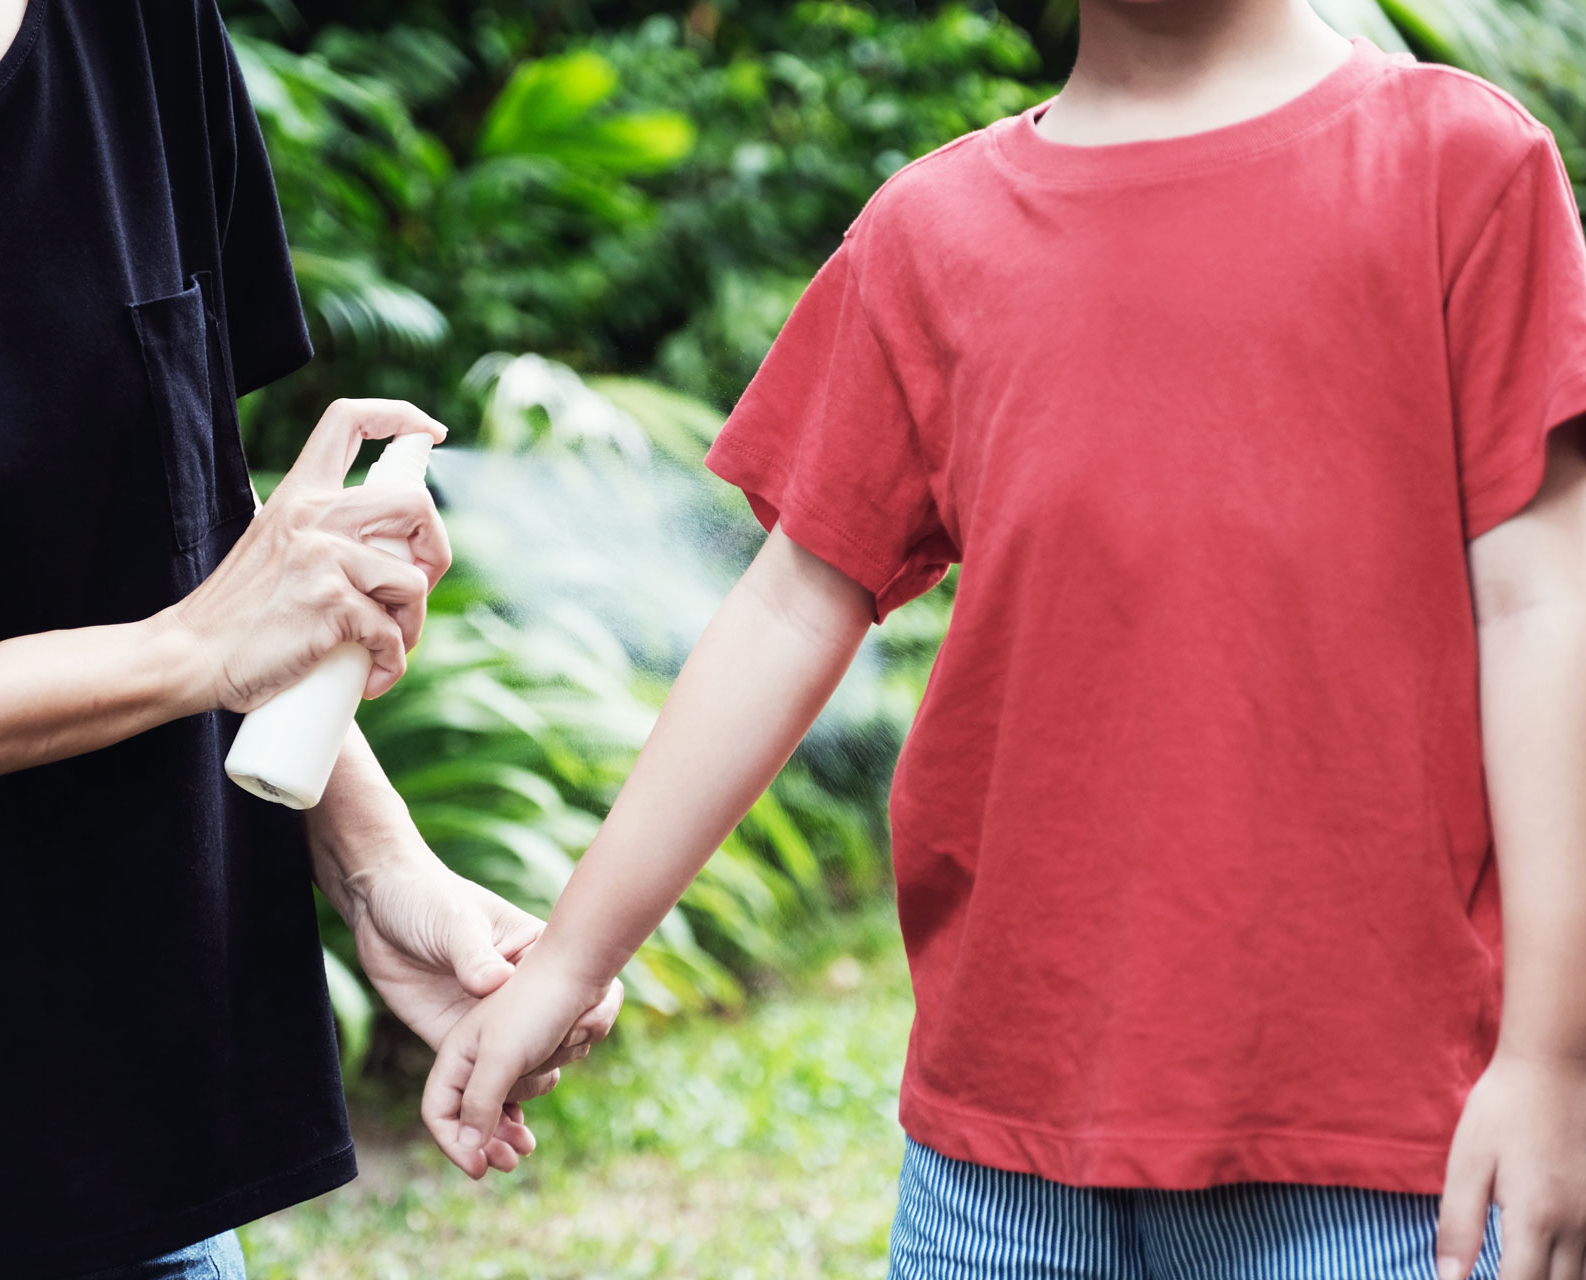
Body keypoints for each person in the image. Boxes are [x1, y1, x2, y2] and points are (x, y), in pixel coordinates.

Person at [422, 2, 1586, 1278]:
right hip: (999, 1165)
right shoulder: (933, 232)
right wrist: (571, 957)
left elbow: (1544, 608)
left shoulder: (1460, 167)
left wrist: (1551, 1057)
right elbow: (789, 605)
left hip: (1378, 1154)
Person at [0, 1, 621, 1278]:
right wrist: (188, 651)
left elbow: (186, 515)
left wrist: (382, 870)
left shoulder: (133, 25)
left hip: (134, 1170)